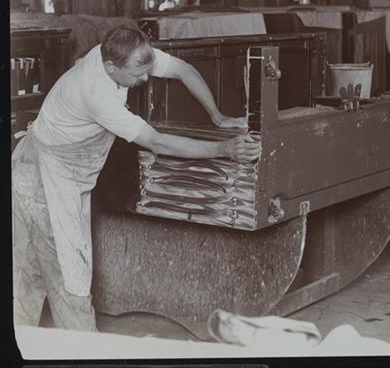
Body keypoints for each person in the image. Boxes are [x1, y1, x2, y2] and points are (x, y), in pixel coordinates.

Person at [12, 25, 262, 331]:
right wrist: (225, 149)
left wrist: (217, 116)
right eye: (136, 74)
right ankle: (78, 348)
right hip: (43, 174)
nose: (144, 80)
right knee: (67, 271)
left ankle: (27, 337)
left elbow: (183, 70)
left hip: (57, 167)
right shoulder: (95, 92)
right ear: (111, 67)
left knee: (33, 265)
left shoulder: (123, 53)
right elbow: (157, 142)